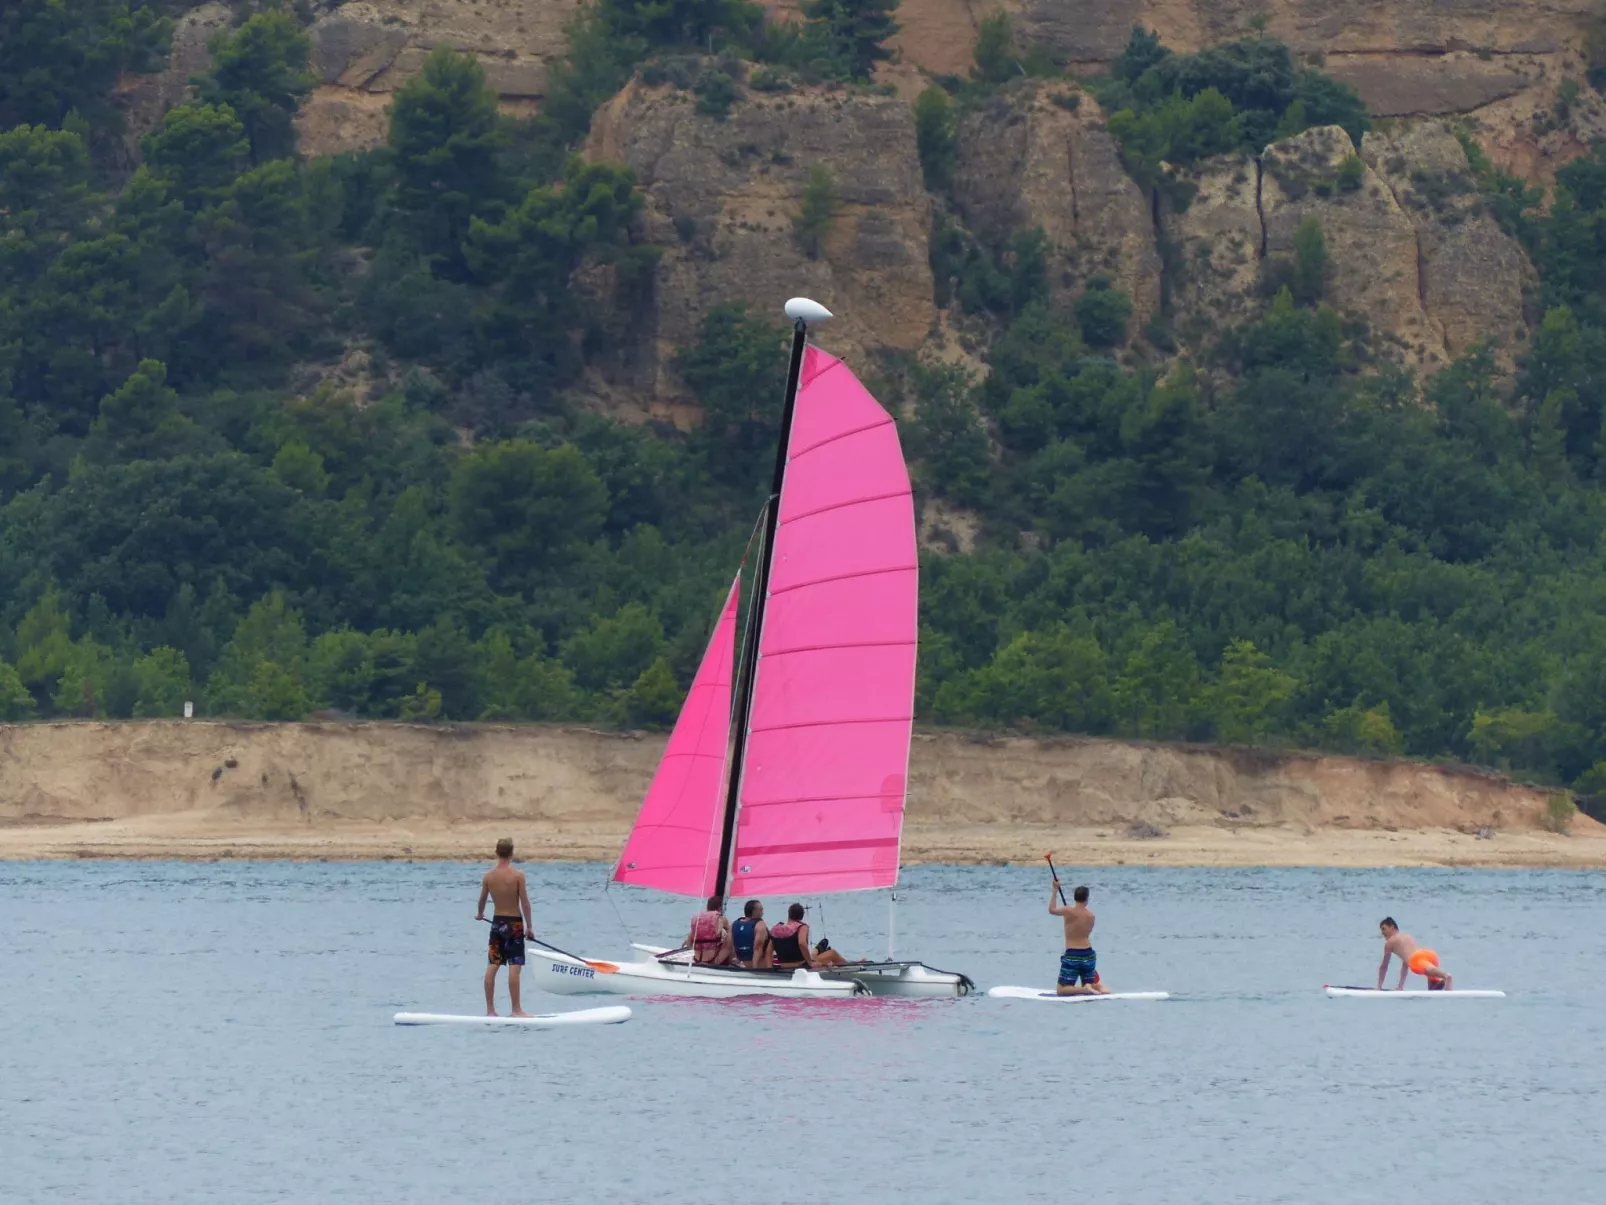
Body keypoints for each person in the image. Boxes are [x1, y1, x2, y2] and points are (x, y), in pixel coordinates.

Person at [475, 837, 534, 1017]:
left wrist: (479, 914)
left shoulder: (488, 876)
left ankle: (490, 1010)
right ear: (512, 853)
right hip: (514, 925)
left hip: (496, 924)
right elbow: (525, 902)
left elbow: (482, 899)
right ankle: (516, 1010)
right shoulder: (518, 876)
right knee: (514, 966)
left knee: (492, 965)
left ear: (496, 852)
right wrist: (529, 927)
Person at [1050, 880, 1110, 996]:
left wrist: (1054, 891)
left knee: (1061, 990)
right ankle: (1096, 986)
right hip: (1088, 955)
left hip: (1073, 955)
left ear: (1074, 897)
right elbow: (1085, 932)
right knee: (1090, 982)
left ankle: (1084, 989)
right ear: (1087, 899)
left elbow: (1051, 910)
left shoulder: (1067, 911)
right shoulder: (1091, 916)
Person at [1378, 917, 1453, 990]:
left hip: (1416, 960)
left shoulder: (1390, 942)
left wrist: (1378, 987)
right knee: (1432, 989)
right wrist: (1400, 986)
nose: (1382, 933)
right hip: (1429, 954)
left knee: (1422, 968)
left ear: (1392, 927)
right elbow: (1405, 964)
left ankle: (1446, 976)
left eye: (1384, 929)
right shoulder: (1407, 936)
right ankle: (1443, 981)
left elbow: (1384, 967)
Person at [687, 895, 735, 966]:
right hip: (713, 960)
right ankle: (732, 960)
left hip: (697, 958)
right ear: (720, 908)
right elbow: (730, 933)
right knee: (731, 933)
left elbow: (689, 941)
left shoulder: (698, 918)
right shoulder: (721, 918)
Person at [768, 903, 812, 970]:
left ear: (789, 914)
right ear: (802, 916)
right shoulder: (801, 927)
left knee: (817, 951)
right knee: (831, 953)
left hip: (783, 965)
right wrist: (810, 963)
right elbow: (802, 943)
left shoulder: (776, 929)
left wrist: (770, 969)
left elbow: (769, 951)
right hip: (800, 965)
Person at [732, 899, 771, 968]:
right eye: (761, 910)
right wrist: (754, 969)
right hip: (758, 966)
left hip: (740, 964)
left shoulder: (734, 924)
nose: (763, 913)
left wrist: (715, 964)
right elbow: (757, 948)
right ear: (754, 912)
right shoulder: (760, 924)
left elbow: (726, 948)